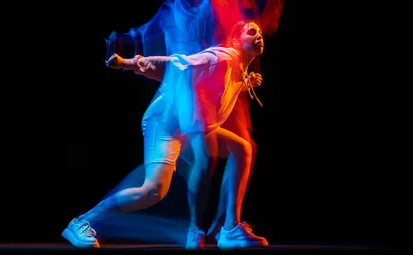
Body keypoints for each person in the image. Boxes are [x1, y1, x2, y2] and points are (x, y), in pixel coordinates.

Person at [62, 20, 270, 249]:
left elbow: (214, 92)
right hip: (165, 123)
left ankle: (230, 228)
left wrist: (244, 83)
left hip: (190, 127)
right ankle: (83, 221)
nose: (258, 35)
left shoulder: (237, 71)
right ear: (234, 41)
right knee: (152, 191)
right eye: (251, 32)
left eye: (259, 32)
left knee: (242, 148)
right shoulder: (221, 58)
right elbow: (176, 65)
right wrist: (129, 63)